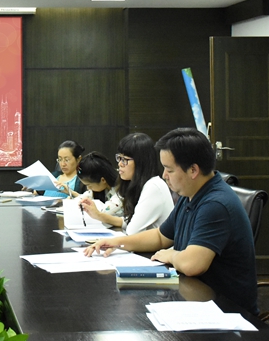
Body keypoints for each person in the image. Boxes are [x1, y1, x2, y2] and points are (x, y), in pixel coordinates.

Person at [84, 128, 258, 315]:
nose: (164, 175)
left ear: (193, 170)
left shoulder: (215, 204)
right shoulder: (190, 194)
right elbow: (161, 236)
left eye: (169, 170)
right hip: (196, 300)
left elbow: (192, 264)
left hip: (227, 312)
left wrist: (171, 255)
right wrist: (117, 242)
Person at [80, 133, 173, 235]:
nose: (120, 163)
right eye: (119, 158)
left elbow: (132, 230)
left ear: (141, 162)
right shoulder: (137, 185)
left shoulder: (153, 186)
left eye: (125, 159)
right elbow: (128, 222)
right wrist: (98, 215)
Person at [77, 151, 123, 221]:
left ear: (103, 180)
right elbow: (82, 198)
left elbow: (103, 212)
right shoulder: (99, 189)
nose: (88, 188)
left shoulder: (121, 191)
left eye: (89, 185)